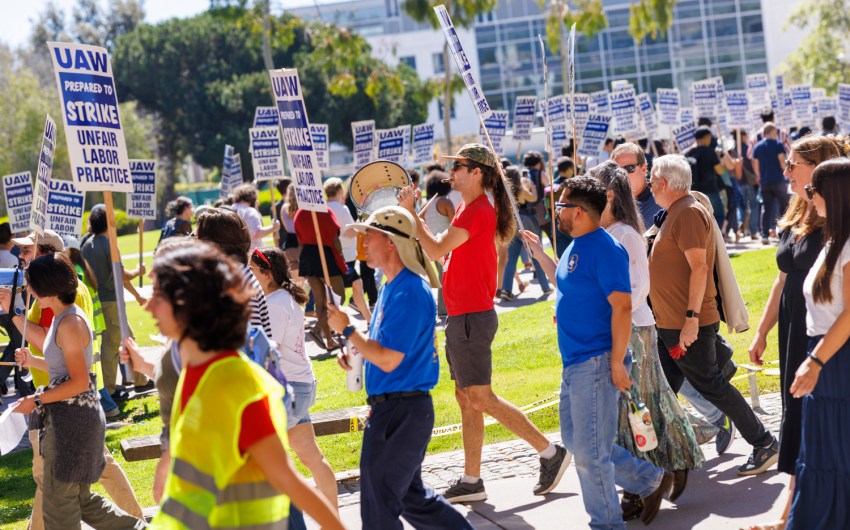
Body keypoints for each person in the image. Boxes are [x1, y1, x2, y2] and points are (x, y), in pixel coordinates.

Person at [398, 144, 569, 502]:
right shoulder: (467, 206)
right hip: (463, 316)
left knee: (479, 396)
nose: (452, 171)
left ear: (477, 172)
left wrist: (410, 214)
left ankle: (550, 453)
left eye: (458, 166)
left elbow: (434, 250)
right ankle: (472, 480)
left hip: (471, 318)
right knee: (466, 398)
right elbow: (444, 253)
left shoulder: (475, 209)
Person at [139, 241, 343, 529]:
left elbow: (286, 478)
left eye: (158, 295)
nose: (148, 306)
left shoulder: (233, 382)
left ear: (189, 304)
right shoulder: (194, 370)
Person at [521, 176, 677, 528]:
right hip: (575, 361)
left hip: (596, 361)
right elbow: (568, 284)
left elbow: (622, 307)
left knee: (591, 455)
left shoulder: (605, 248)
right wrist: (542, 256)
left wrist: (617, 362)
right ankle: (649, 479)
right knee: (578, 443)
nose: (555, 212)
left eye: (560, 206)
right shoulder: (577, 245)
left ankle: (606, 523)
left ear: (578, 212)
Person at [325, 206, 471, 529]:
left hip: (402, 411)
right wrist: (356, 356)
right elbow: (383, 350)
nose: (362, 244)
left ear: (391, 242)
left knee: (379, 505)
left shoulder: (408, 290)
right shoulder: (394, 287)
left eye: (369, 236)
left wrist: (348, 330)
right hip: (396, 409)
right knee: (409, 498)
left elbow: (390, 358)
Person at [1, 231, 144, 529]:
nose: (28, 288)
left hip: (72, 423)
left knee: (60, 509)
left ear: (46, 289)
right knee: (81, 503)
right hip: (69, 419)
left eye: (31, 284)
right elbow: (61, 366)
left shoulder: (69, 321)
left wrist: (35, 399)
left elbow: (79, 382)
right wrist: (29, 351)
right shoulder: (63, 316)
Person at [648, 154, 779, 476]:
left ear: (664, 182)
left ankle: (764, 443)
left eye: (652, 180)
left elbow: (700, 267)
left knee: (712, 386)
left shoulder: (689, 212)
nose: (650, 186)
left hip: (685, 324)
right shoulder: (674, 212)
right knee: (661, 389)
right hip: (669, 324)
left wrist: (691, 318)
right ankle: (666, 455)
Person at [589, 163, 708, 518]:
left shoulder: (626, 234)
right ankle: (666, 466)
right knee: (643, 407)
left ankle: (645, 482)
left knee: (636, 409)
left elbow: (638, 290)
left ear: (608, 195)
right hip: (611, 329)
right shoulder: (600, 233)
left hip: (634, 329)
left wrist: (605, 307)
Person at [747, 135, 848, 530]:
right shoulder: (802, 217)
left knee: (827, 434)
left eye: (794, 166)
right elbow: (783, 279)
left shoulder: (838, 230)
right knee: (805, 427)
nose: (787, 173)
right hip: (802, 331)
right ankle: (795, 513)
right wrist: (761, 331)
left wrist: (819, 357)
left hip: (829, 341)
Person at [783, 158, 850, 529]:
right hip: (823, 355)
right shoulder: (834, 240)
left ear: (833, 195)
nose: (809, 197)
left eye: (813, 190)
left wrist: (817, 361)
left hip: (835, 360)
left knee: (836, 455)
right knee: (821, 453)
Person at [249, 246, 338, 511]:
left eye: (252, 271)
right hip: (298, 386)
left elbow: (267, 350)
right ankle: (333, 521)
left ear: (266, 274)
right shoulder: (281, 298)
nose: (249, 275)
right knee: (311, 457)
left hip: (287, 390)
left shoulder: (274, 305)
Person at [194, 207, 274, 337]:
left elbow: (247, 340)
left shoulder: (236, 282)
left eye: (197, 237)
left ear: (213, 243)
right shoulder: (234, 276)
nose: (194, 242)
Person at [293, 206, 348, 351]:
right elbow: (335, 237)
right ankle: (317, 330)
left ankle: (329, 341)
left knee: (320, 302)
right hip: (325, 255)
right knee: (339, 298)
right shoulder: (324, 210)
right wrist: (340, 256)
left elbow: (299, 239)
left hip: (308, 255)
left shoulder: (300, 213)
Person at [499, 166, 552, 300]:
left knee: (511, 258)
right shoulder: (522, 189)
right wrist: (532, 184)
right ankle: (545, 287)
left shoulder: (504, 191)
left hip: (512, 221)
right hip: (526, 220)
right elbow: (534, 198)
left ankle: (506, 289)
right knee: (535, 252)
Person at [324, 178, 372, 322]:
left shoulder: (323, 207)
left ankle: (367, 318)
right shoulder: (341, 209)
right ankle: (367, 319)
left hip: (332, 255)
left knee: (350, 287)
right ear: (340, 191)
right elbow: (349, 232)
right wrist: (360, 224)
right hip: (346, 256)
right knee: (355, 285)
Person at [422, 171, 455, 317]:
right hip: (446, 244)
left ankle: (443, 308)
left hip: (431, 244)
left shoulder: (426, 204)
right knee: (446, 278)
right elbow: (455, 223)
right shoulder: (446, 203)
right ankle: (444, 309)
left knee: (441, 278)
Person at [0, 221, 26, 396]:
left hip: (2, 311)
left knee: (14, 345)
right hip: (12, 309)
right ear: (10, 238)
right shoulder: (11, 259)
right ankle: (24, 387)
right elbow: (16, 285)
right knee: (21, 348)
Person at [753, 123, 789, 244]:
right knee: (784, 206)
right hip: (778, 180)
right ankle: (785, 231)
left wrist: (758, 176)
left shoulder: (758, 146)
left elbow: (755, 163)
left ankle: (764, 235)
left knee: (767, 208)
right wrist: (787, 172)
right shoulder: (778, 144)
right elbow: (782, 161)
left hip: (765, 182)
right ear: (772, 131)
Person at [611, 142, 661, 230]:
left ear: (644, 169)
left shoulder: (662, 202)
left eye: (629, 168)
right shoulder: (609, 203)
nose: (622, 174)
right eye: (617, 170)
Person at [685, 126, 725, 227]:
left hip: (693, 191)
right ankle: (713, 239)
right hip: (710, 190)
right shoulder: (710, 152)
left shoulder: (688, 153)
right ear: (706, 137)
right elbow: (720, 171)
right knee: (719, 215)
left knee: (698, 218)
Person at [232, 183, 280, 250]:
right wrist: (273, 227)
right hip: (252, 251)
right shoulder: (250, 211)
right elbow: (256, 233)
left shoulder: (231, 209)